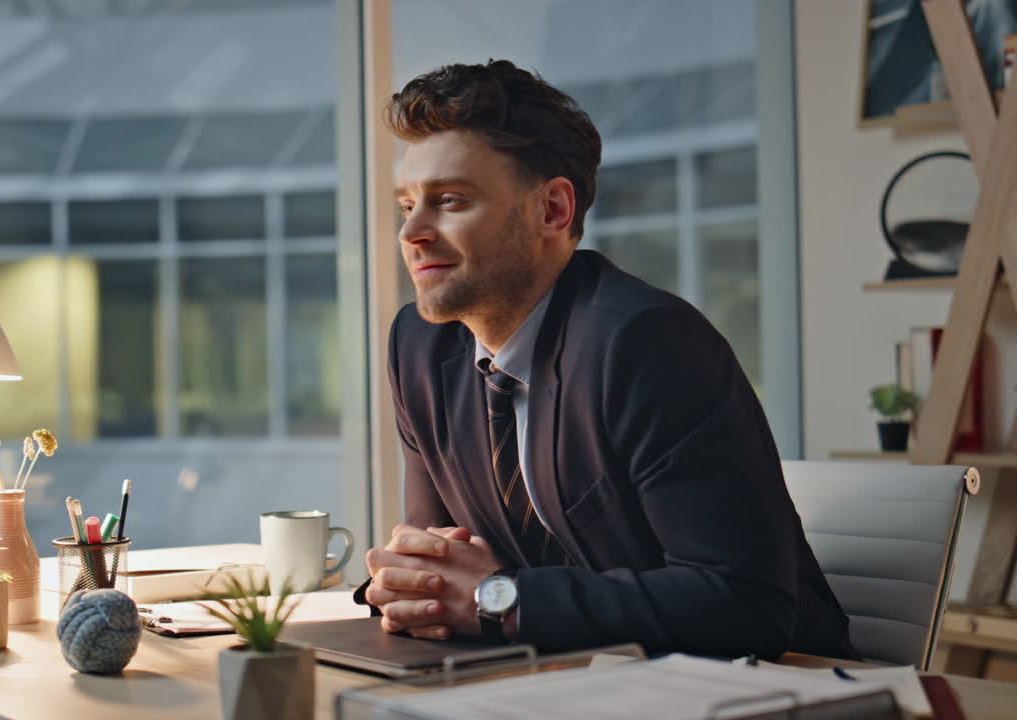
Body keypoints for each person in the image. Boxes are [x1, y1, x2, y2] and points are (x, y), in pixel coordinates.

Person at [361, 59, 855, 660]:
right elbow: (437, 565)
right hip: (555, 677)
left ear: (553, 210)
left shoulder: (647, 342)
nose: (411, 232)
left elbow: (744, 605)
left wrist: (504, 600)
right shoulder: (420, 345)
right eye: (406, 205)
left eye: (449, 200)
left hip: (766, 683)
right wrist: (411, 586)